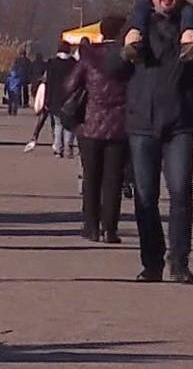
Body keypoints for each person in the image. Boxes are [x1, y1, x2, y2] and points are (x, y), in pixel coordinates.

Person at [107, 0, 193, 284]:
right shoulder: (137, 25)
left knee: (181, 191)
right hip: (142, 122)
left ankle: (180, 261)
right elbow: (113, 70)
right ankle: (151, 262)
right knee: (145, 196)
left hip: (180, 122)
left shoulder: (192, 26)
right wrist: (125, 51)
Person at [64, 15, 130, 243]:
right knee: (113, 178)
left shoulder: (89, 56)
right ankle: (110, 228)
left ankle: (90, 226)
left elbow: (69, 85)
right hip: (120, 124)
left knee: (91, 176)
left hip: (90, 123)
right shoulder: (128, 57)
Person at [45, 41, 78, 158]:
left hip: (55, 98)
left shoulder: (52, 63)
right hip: (70, 98)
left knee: (58, 125)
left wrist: (47, 100)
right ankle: (68, 147)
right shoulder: (74, 63)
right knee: (69, 125)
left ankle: (58, 148)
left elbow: (49, 83)